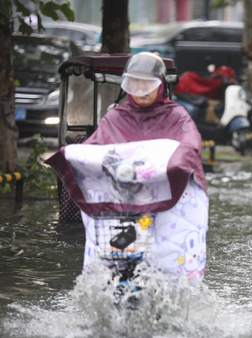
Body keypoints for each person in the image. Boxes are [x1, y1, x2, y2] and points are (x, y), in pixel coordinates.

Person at [46, 52, 209, 283]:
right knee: (110, 259)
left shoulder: (177, 116)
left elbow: (189, 146)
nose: (141, 87)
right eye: (135, 81)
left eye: (147, 82)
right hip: (124, 196)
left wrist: (173, 163)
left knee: (170, 259)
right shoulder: (115, 117)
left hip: (170, 191)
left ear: (160, 84)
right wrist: (73, 156)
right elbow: (96, 148)